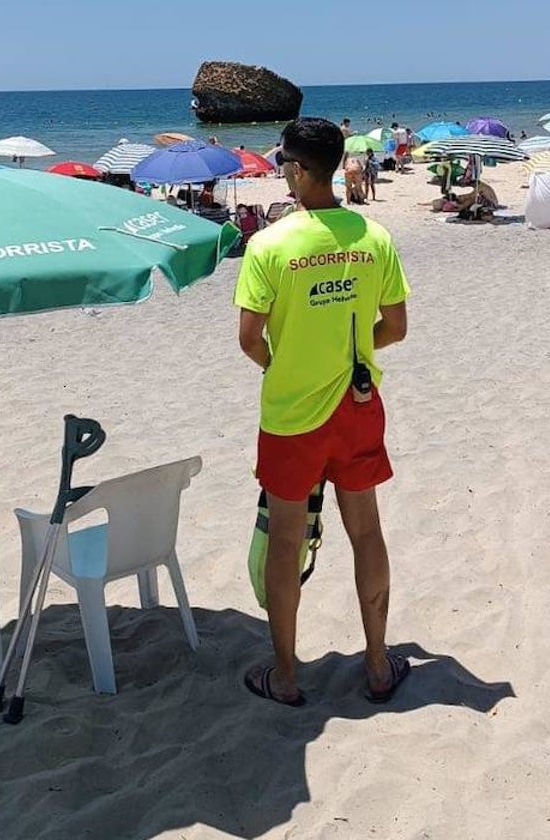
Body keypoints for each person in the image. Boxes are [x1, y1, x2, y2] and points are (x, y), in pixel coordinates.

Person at [234, 116, 411, 706]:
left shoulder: (269, 244)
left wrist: (282, 365)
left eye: (284, 161)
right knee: (367, 531)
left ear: (299, 169)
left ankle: (285, 675)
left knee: (287, 540)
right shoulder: (373, 236)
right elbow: (396, 328)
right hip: (357, 404)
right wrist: (353, 351)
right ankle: (380, 665)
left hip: (292, 414)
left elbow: (250, 339)